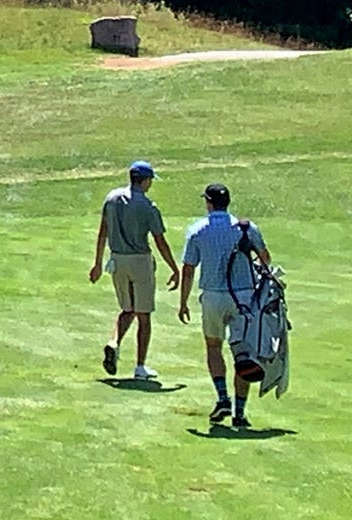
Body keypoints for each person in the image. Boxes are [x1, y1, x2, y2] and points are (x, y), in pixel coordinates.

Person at [175, 181, 271, 429]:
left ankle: (222, 398)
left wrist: (183, 302)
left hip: (213, 297)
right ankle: (239, 412)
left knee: (213, 346)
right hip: (244, 298)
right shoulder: (247, 228)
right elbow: (265, 258)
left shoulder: (197, 230)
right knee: (243, 354)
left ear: (208, 202)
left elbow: (188, 270)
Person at [89, 160, 179, 380]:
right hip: (140, 262)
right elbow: (160, 241)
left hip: (117, 261)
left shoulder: (111, 198)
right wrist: (174, 268)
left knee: (127, 309)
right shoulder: (148, 206)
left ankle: (114, 342)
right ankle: (140, 366)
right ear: (145, 180)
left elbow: (103, 233)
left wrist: (97, 264)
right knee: (144, 315)